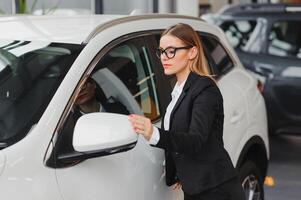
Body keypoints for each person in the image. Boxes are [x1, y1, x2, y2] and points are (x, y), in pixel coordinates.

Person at [128, 23, 245, 200]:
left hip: (215, 189)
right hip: (195, 186)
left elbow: (196, 140)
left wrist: (154, 133)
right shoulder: (178, 90)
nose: (164, 58)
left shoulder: (205, 89)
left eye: (171, 51)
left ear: (192, 52)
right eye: (161, 51)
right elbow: (180, 137)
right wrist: (180, 172)